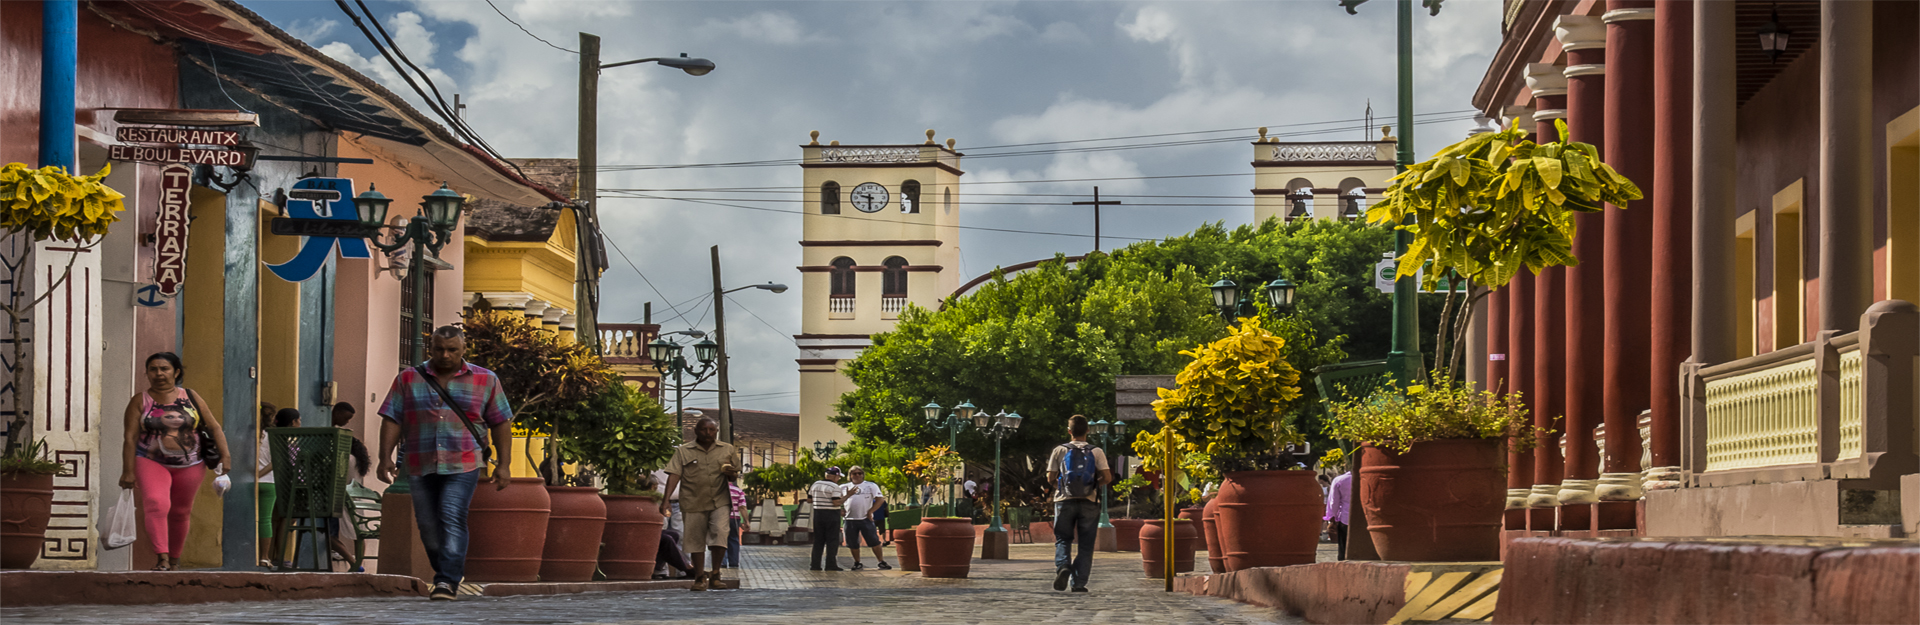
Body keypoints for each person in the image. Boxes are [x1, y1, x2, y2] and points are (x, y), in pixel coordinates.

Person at [376, 326, 514, 601]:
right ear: (431, 348)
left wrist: (504, 465)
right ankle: (447, 571)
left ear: (464, 350)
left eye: (452, 350)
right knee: (427, 524)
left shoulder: (486, 379)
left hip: (463, 462)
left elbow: (500, 422)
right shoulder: (408, 378)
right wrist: (385, 458)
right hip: (419, 461)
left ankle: (446, 580)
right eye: (439, 349)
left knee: (451, 515)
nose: (446, 355)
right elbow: (392, 418)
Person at [119, 352, 232, 571]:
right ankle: (161, 557)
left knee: (181, 512)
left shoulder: (190, 396)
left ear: (176, 372)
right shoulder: (140, 400)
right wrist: (127, 471)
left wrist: (225, 455)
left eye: (164, 368)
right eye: (153, 369)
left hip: (191, 465)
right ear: (147, 373)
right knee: (156, 503)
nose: (159, 374)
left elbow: (214, 426)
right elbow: (130, 438)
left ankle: (174, 560)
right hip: (151, 461)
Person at [659, 417, 738, 592]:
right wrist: (666, 501)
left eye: (712, 430)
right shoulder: (683, 451)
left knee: (720, 533)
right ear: (695, 431)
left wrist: (731, 473)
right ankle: (700, 576)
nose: (708, 433)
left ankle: (716, 574)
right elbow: (674, 474)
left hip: (720, 501)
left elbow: (734, 476)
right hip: (693, 501)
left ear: (716, 432)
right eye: (704, 430)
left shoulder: (727, 449)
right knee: (695, 540)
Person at [1046, 415, 1112, 593]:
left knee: (1062, 539)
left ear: (1069, 431)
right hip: (1089, 502)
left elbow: (1050, 477)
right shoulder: (1096, 451)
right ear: (1088, 431)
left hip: (1063, 501)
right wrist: (1092, 486)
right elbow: (1107, 477)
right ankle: (1079, 583)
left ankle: (1063, 567)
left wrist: (1061, 487)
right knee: (1086, 544)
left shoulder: (1059, 450)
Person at [330, 402, 373, 571]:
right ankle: (358, 564)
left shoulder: (346, 459)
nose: (347, 422)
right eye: (347, 418)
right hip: (357, 498)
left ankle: (352, 562)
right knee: (359, 534)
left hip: (341, 498)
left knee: (329, 534)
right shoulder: (359, 462)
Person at [841, 466, 890, 571]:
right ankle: (857, 562)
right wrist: (840, 510)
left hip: (865, 519)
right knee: (853, 543)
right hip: (849, 519)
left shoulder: (870, 486)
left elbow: (880, 500)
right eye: (854, 473)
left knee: (874, 541)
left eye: (859, 473)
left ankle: (881, 561)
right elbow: (836, 501)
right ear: (850, 475)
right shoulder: (843, 487)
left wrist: (871, 511)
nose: (857, 475)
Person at [256, 403, 281, 568]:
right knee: (265, 520)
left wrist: (253, 476)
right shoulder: (274, 436)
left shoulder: (250, 435)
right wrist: (260, 474)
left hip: (249, 483)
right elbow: (275, 461)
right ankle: (264, 557)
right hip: (269, 482)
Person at [807, 467, 846, 571]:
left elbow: (809, 500)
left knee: (818, 540)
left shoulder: (815, 484)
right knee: (832, 540)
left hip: (818, 514)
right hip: (831, 514)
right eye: (838, 477)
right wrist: (848, 496)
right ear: (835, 476)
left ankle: (815, 565)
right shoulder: (835, 487)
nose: (838, 479)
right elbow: (836, 502)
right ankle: (831, 565)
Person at [1325, 469, 1353, 561]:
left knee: (1344, 549)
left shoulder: (1340, 480)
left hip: (1345, 518)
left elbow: (1334, 501)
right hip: (1366, 519)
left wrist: (1331, 517)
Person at [725, 476, 746, 569]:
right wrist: (746, 521)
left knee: (721, 540)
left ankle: (722, 562)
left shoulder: (718, 491)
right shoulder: (738, 491)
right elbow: (742, 507)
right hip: (734, 518)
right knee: (733, 539)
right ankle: (734, 562)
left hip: (721, 518)